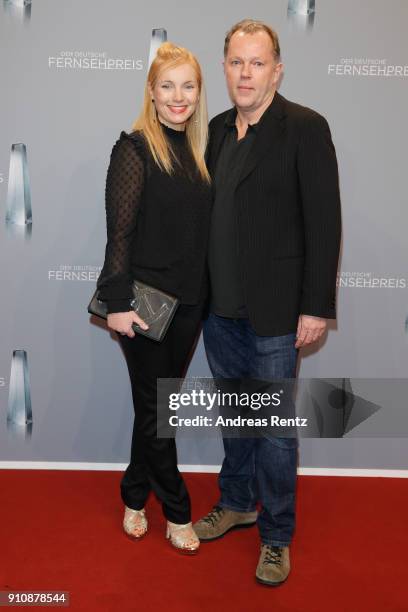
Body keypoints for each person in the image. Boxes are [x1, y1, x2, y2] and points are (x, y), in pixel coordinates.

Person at [193, 20, 341, 584]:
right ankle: (237, 503)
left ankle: (277, 534)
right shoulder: (215, 130)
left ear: (276, 69)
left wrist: (315, 306)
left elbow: (325, 224)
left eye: (257, 63)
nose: (245, 73)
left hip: (279, 312)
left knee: (275, 427)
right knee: (237, 416)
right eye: (236, 62)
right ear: (225, 67)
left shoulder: (304, 127)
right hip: (219, 310)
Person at [96, 42, 212, 554]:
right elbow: (118, 235)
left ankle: (134, 494)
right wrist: (117, 304)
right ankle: (179, 512)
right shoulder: (135, 148)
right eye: (168, 85)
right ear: (151, 91)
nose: (178, 96)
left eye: (188, 85)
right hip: (142, 304)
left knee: (156, 410)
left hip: (190, 305)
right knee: (160, 409)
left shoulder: (201, 150)